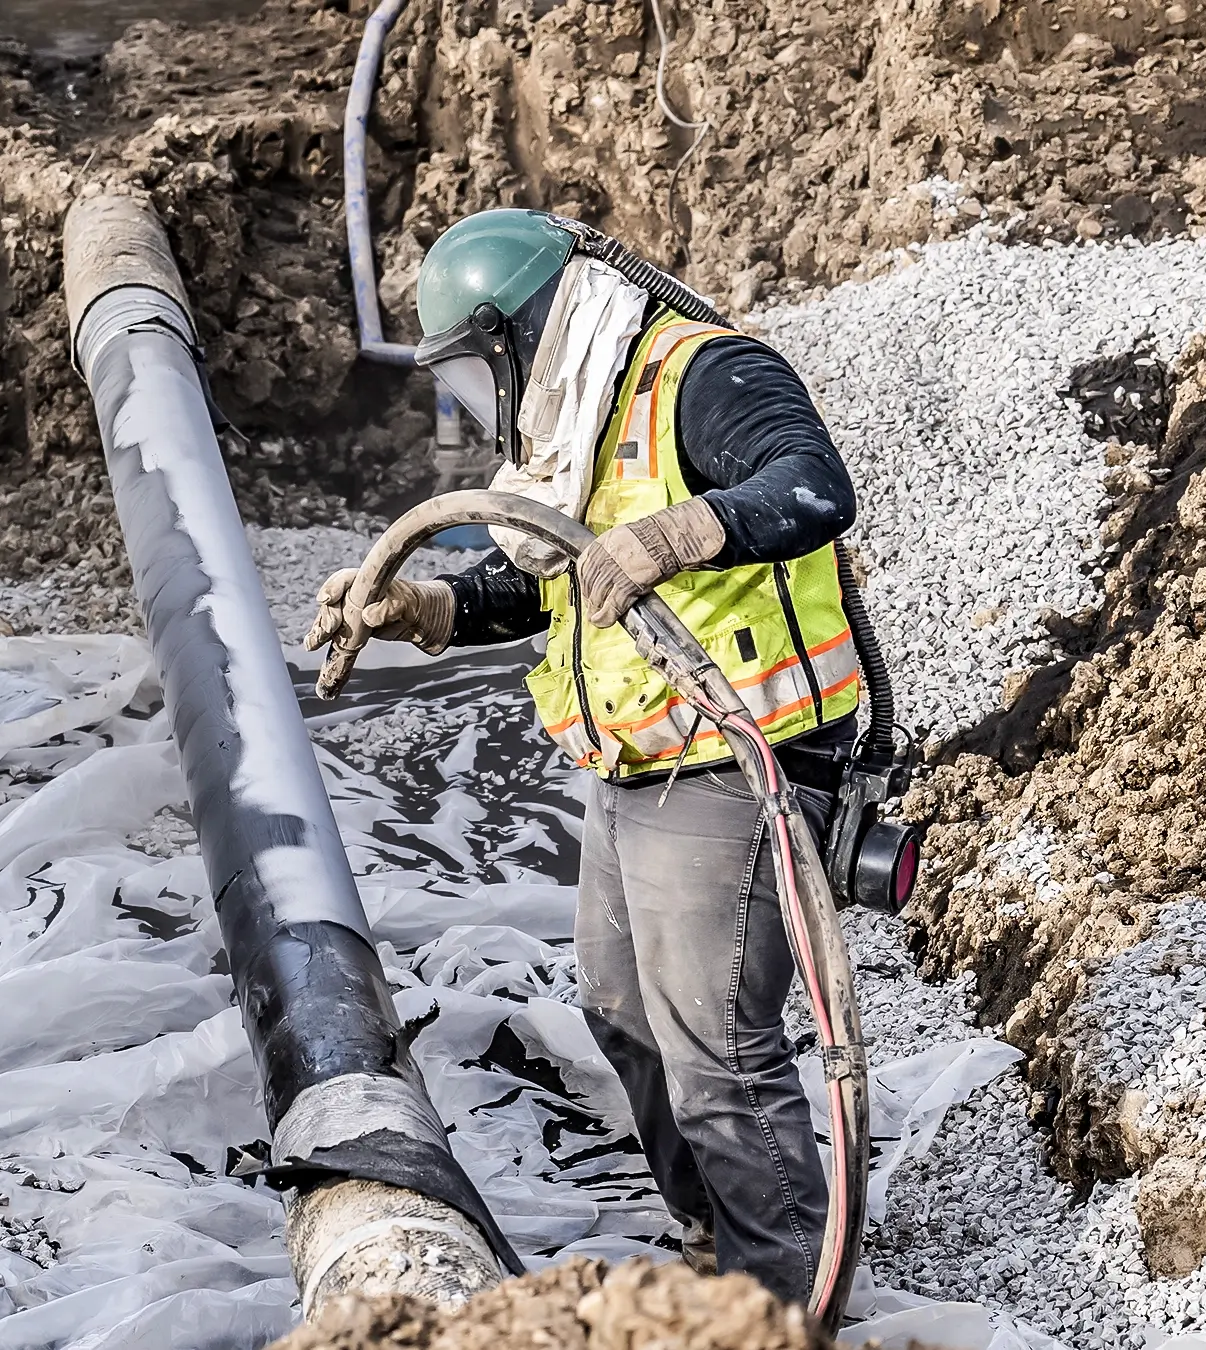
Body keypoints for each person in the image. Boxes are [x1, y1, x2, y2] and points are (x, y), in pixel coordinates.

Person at [305, 209, 862, 1305]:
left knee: (718, 1054)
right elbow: (557, 575)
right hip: (637, 759)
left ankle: (785, 1306)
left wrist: (682, 533)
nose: (474, 402)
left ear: (520, 333)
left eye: (472, 371)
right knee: (622, 1010)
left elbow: (812, 485)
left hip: (736, 757)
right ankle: (721, 1246)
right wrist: (428, 603)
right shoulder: (577, 418)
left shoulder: (700, 374)